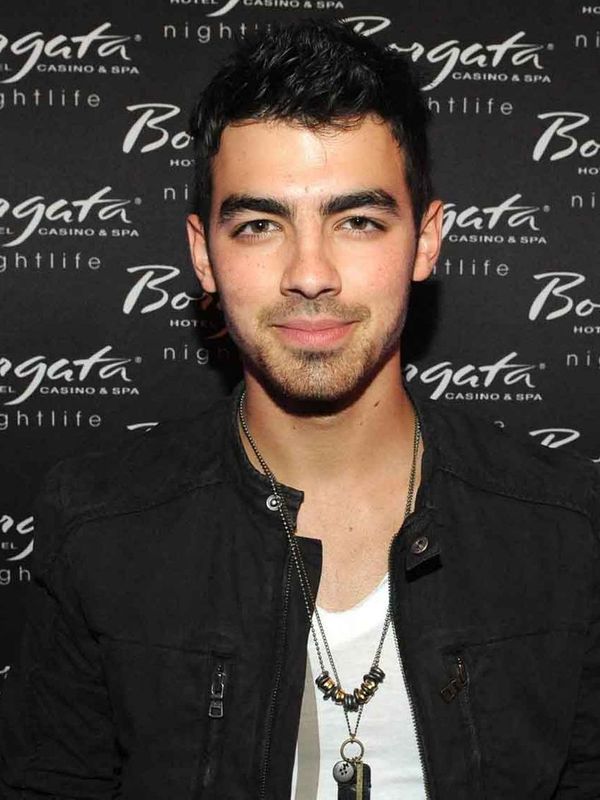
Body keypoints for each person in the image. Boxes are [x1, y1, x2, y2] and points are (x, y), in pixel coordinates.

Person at [0, 19, 599, 800]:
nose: (310, 274)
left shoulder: (566, 526)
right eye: (259, 225)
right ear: (202, 253)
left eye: (358, 222)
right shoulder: (98, 524)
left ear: (426, 240)